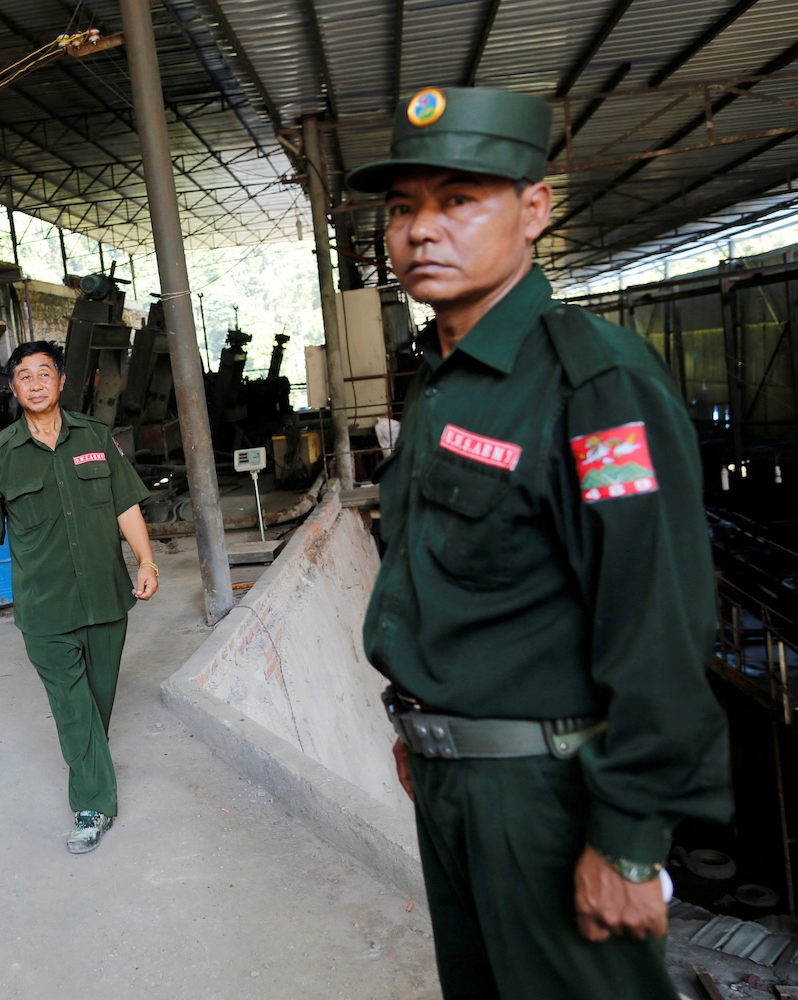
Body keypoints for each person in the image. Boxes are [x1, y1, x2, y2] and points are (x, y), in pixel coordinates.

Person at [350, 86, 731, 997]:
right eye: (403, 208)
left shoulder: (592, 383)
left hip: (548, 798)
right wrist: (425, 729)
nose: (421, 231)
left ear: (534, 210)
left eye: (458, 199)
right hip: (451, 782)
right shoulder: (445, 384)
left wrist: (629, 838)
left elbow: (658, 620)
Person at [0, 340, 158, 853]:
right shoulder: (2, 454)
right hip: (45, 606)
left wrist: (146, 560)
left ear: (61, 381)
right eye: (23, 376)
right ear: (13, 388)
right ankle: (93, 804)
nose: (34, 383)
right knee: (73, 707)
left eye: (43, 373)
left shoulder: (96, 438)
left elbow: (125, 507)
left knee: (97, 701)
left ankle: (90, 764)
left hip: (104, 598)